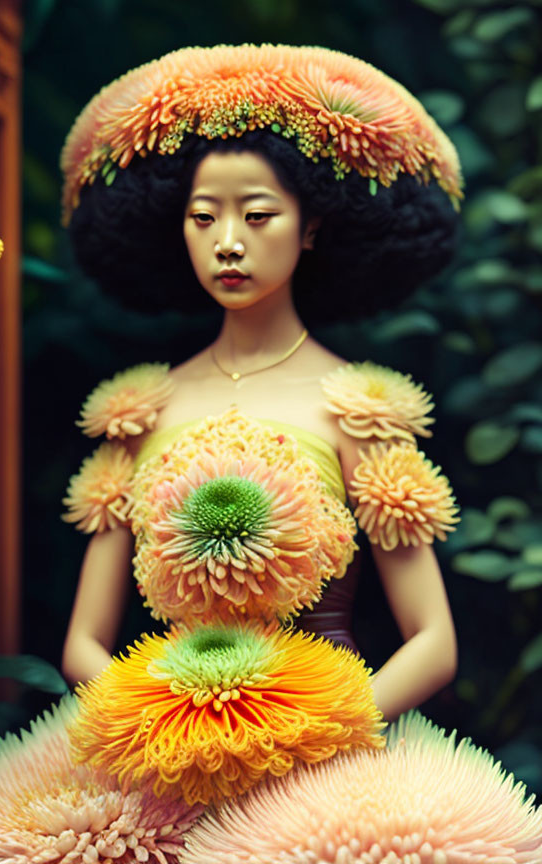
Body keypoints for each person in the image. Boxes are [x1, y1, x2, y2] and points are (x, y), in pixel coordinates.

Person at [59, 44, 462, 723]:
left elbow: (434, 642)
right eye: (204, 217)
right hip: (166, 737)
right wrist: (158, 728)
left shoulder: (357, 409)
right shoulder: (140, 412)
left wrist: (317, 734)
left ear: (311, 228)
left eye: (258, 214)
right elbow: (81, 645)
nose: (228, 242)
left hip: (323, 746)